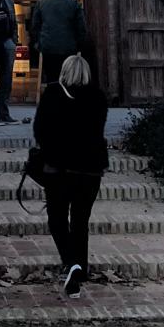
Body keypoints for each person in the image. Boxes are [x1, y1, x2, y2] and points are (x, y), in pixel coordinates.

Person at [32, 53, 108, 297]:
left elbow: (39, 130)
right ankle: (80, 267)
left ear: (64, 71)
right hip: (90, 169)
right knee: (80, 220)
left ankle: (71, 262)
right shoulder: (98, 98)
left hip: (59, 169)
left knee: (57, 218)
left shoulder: (53, 94)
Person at [28, 0, 88, 83]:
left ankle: (53, 92)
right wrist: (80, 45)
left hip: (48, 46)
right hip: (69, 47)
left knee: (51, 77)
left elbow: (35, 25)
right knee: (67, 78)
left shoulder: (42, 1)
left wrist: (37, 43)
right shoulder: (74, 2)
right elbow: (81, 27)